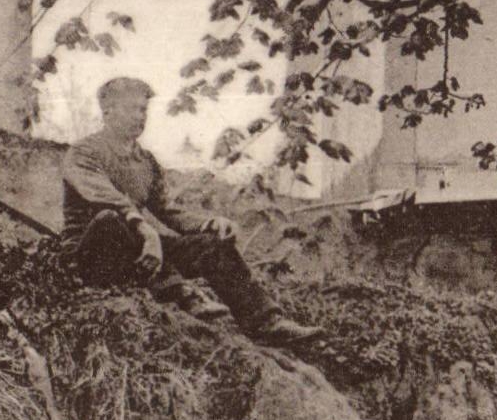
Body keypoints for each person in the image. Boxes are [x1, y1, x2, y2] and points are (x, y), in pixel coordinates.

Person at [62, 77, 320, 350]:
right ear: (108, 112)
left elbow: (167, 210)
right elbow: (104, 197)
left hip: (138, 246)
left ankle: (266, 322)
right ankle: (179, 293)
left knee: (212, 244)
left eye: (143, 110)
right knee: (111, 221)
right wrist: (143, 227)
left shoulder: (145, 161)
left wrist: (207, 222)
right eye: (131, 109)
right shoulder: (83, 153)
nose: (140, 117)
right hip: (92, 253)